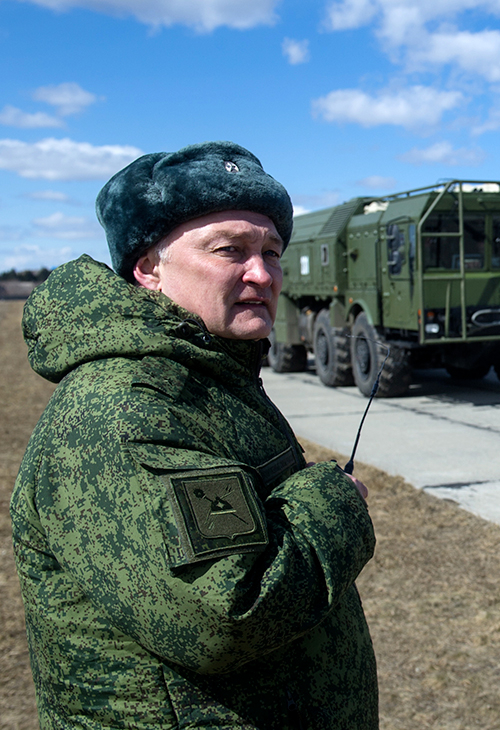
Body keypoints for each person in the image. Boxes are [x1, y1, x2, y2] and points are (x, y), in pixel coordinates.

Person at [10, 141, 379, 728]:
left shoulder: (208, 378)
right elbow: (226, 615)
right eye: (229, 250)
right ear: (148, 268)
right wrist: (332, 504)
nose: (262, 273)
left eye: (273, 253)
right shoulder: (125, 412)